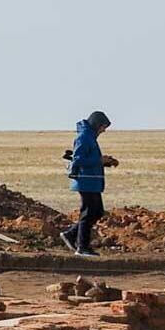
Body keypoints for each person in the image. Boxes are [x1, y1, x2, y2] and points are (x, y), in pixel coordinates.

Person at [60, 110, 118, 257]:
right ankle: (82, 247)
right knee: (88, 213)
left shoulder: (90, 137)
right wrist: (99, 161)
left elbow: (89, 159)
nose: (104, 130)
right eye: (103, 127)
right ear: (96, 124)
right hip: (85, 180)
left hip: (92, 181)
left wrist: (106, 162)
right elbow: (78, 160)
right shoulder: (84, 137)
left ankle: (71, 235)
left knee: (97, 211)